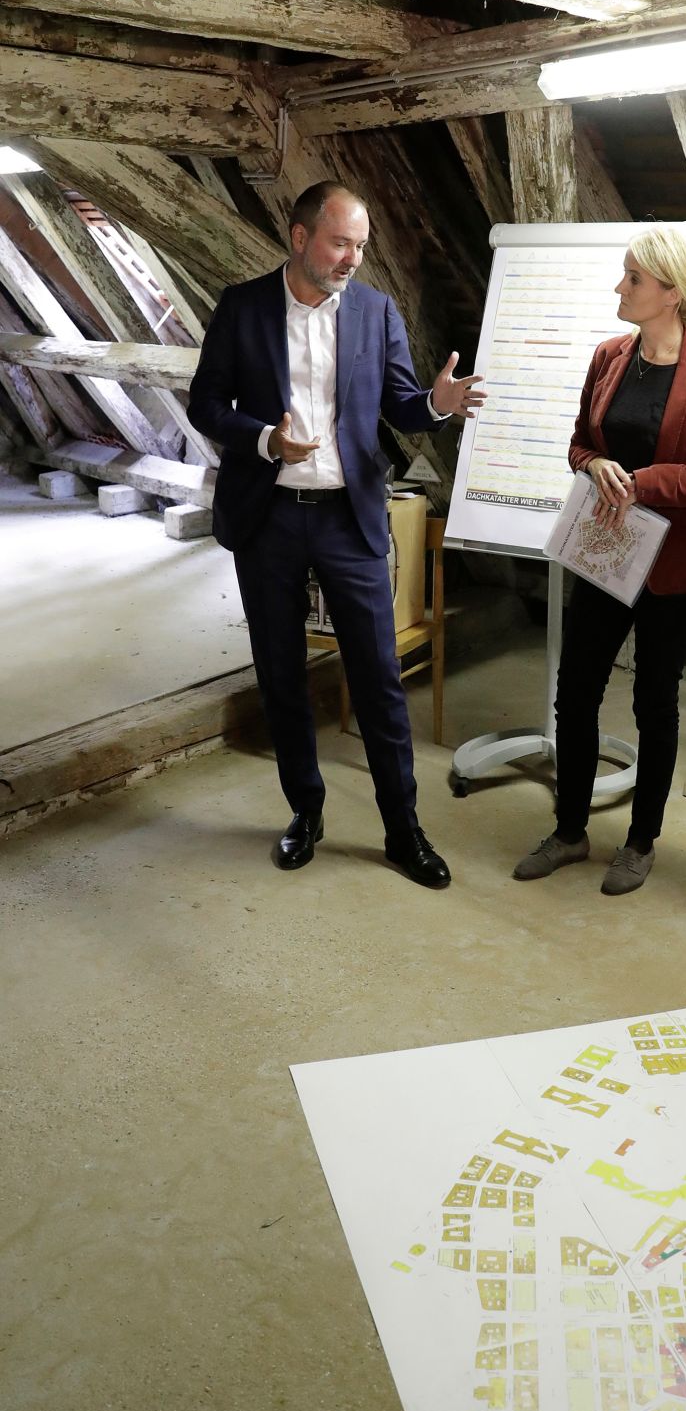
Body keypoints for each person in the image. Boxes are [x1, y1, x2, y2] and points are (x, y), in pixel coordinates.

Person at [188, 181, 484, 884]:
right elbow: (205, 402)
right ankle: (306, 812)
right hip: (270, 519)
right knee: (283, 675)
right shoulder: (242, 306)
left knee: (380, 679)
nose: (353, 258)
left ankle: (402, 830)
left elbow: (403, 405)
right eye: (340, 242)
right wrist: (262, 439)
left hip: (350, 519)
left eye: (361, 245)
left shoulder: (377, 311)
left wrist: (436, 406)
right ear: (299, 237)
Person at [513, 223, 686, 895]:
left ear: (670, 293)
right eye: (625, 276)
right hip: (607, 551)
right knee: (577, 691)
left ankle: (641, 840)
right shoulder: (609, 356)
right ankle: (569, 832)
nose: (620, 288)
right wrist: (599, 467)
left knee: (655, 699)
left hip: (678, 565)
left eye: (633, 279)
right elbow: (579, 446)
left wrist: (645, 480)